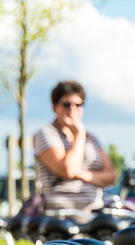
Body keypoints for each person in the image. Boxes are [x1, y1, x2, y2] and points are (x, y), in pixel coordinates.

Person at [34, 80, 116, 213]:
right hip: (60, 214)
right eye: (66, 104)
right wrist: (79, 134)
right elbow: (68, 169)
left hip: (94, 212)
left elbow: (111, 176)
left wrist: (82, 175)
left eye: (78, 104)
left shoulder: (91, 138)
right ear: (55, 107)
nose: (72, 110)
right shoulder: (47, 133)